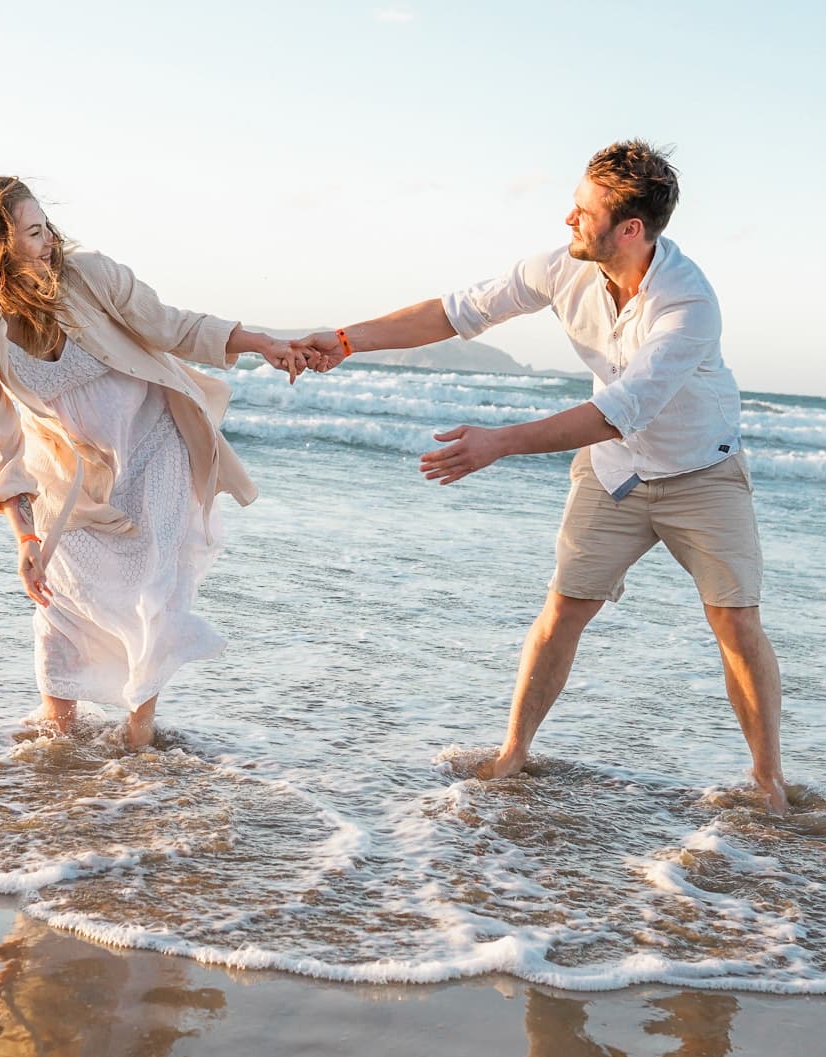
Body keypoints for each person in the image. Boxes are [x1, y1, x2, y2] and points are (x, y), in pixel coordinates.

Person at [297, 141, 789, 813]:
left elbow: (621, 409)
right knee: (563, 611)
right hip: (614, 473)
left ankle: (768, 785)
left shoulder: (687, 305)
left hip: (702, 472)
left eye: (582, 211)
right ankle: (512, 755)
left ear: (630, 229)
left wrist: (499, 443)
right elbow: (453, 311)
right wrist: (348, 339)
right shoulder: (559, 268)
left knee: (734, 623)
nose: (567, 219)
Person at [0, 177, 306, 749]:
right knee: (60, 596)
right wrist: (24, 537)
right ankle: (56, 734)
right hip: (70, 477)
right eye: (33, 233)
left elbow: (172, 326)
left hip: (155, 443)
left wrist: (266, 343)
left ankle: (138, 739)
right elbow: (0, 444)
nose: (48, 243)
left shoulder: (88, 274)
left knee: (154, 582)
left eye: (46, 227)